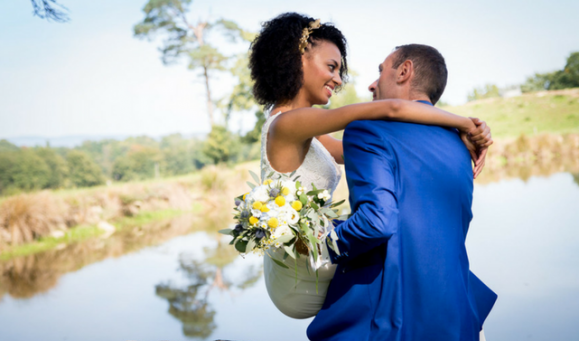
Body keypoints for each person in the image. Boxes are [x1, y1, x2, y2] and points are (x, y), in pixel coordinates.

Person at [249, 13, 492, 320]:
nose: (338, 80)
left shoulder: (297, 125)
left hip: (311, 251)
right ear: (296, 60)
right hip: (304, 265)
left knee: (405, 250)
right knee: (401, 250)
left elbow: (349, 152)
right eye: (332, 67)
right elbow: (390, 108)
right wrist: (464, 124)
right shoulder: (288, 124)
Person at [306, 44, 497, 341]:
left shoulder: (368, 130)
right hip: (458, 316)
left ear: (405, 71)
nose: (371, 83)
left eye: (381, 71)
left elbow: (376, 222)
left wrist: (322, 243)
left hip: (390, 318)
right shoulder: (463, 144)